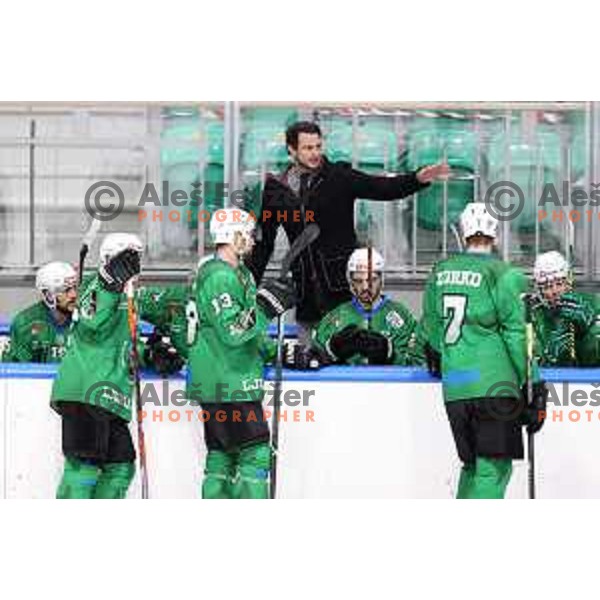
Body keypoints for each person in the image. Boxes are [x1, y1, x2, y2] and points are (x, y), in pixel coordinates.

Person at [245, 120, 449, 343]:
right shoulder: (276, 189)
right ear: (291, 150)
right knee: (310, 358)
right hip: (306, 295)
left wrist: (417, 179)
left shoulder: (339, 177)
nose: (315, 153)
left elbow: (382, 187)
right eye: (307, 148)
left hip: (343, 291)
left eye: (318, 146)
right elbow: (264, 243)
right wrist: (246, 287)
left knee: (350, 353)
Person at [421, 203, 547, 499]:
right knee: (494, 469)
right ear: (495, 233)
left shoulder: (439, 272)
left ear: (462, 233)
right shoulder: (505, 274)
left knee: (473, 466)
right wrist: (534, 382)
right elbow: (517, 334)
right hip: (494, 385)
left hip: (455, 388)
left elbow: (430, 328)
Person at [50, 233, 182, 499]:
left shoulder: (129, 297)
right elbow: (92, 324)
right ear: (110, 260)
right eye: (129, 257)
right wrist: (110, 282)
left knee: (121, 467)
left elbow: (120, 344)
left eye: (137, 257)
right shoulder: (93, 288)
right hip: (86, 391)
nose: (135, 264)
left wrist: (150, 355)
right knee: (84, 467)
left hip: (110, 396)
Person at [187, 208, 295, 499]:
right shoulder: (218, 276)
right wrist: (265, 307)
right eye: (246, 234)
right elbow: (234, 331)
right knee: (255, 454)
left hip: (227, 378)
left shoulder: (240, 274)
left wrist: (277, 351)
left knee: (223, 455)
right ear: (231, 235)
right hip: (227, 380)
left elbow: (250, 332)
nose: (252, 240)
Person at [310, 247, 423, 366]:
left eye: (371, 280)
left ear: (381, 279)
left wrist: (390, 354)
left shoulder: (401, 317)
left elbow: (417, 363)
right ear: (351, 282)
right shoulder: (334, 318)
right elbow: (314, 360)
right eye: (358, 281)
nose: (365, 287)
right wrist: (331, 349)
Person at [530, 251, 600, 367]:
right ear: (539, 290)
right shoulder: (532, 315)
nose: (555, 291)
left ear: (568, 283)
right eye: (547, 286)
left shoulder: (590, 305)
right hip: (549, 382)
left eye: (559, 283)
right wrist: (549, 358)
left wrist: (586, 332)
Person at [3, 262, 78, 362]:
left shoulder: (88, 320)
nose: (74, 295)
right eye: (66, 290)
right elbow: (16, 372)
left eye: (75, 288)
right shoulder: (25, 324)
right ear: (48, 295)